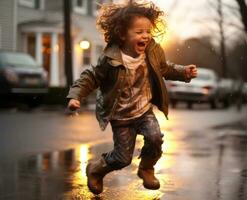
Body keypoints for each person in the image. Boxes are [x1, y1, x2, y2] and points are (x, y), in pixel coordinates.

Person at [67, 1, 197, 195]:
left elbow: (165, 68)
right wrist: (76, 95)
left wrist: (183, 72)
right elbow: (91, 76)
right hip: (120, 116)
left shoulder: (152, 51)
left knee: (155, 138)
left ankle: (146, 168)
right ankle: (96, 169)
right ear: (122, 34)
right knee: (122, 158)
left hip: (144, 111)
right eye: (138, 32)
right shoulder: (110, 59)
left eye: (147, 31)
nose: (145, 36)